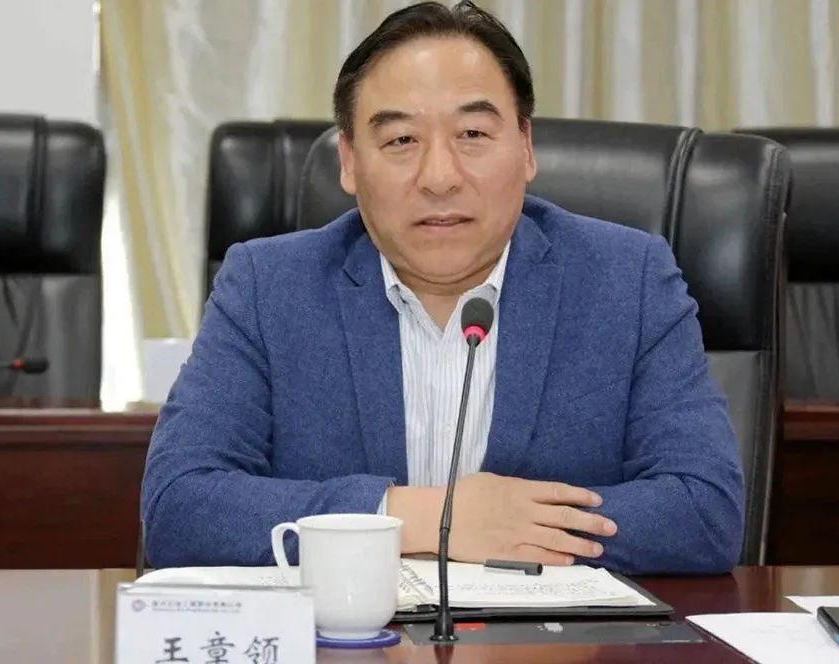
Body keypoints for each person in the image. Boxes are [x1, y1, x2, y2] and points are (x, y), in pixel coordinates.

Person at [141, 0, 745, 575]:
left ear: (526, 148)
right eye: (401, 140)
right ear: (349, 161)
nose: (439, 177)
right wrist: (429, 518)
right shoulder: (268, 286)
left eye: (473, 134)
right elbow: (179, 506)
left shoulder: (628, 279)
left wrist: (515, 531)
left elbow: (705, 511)